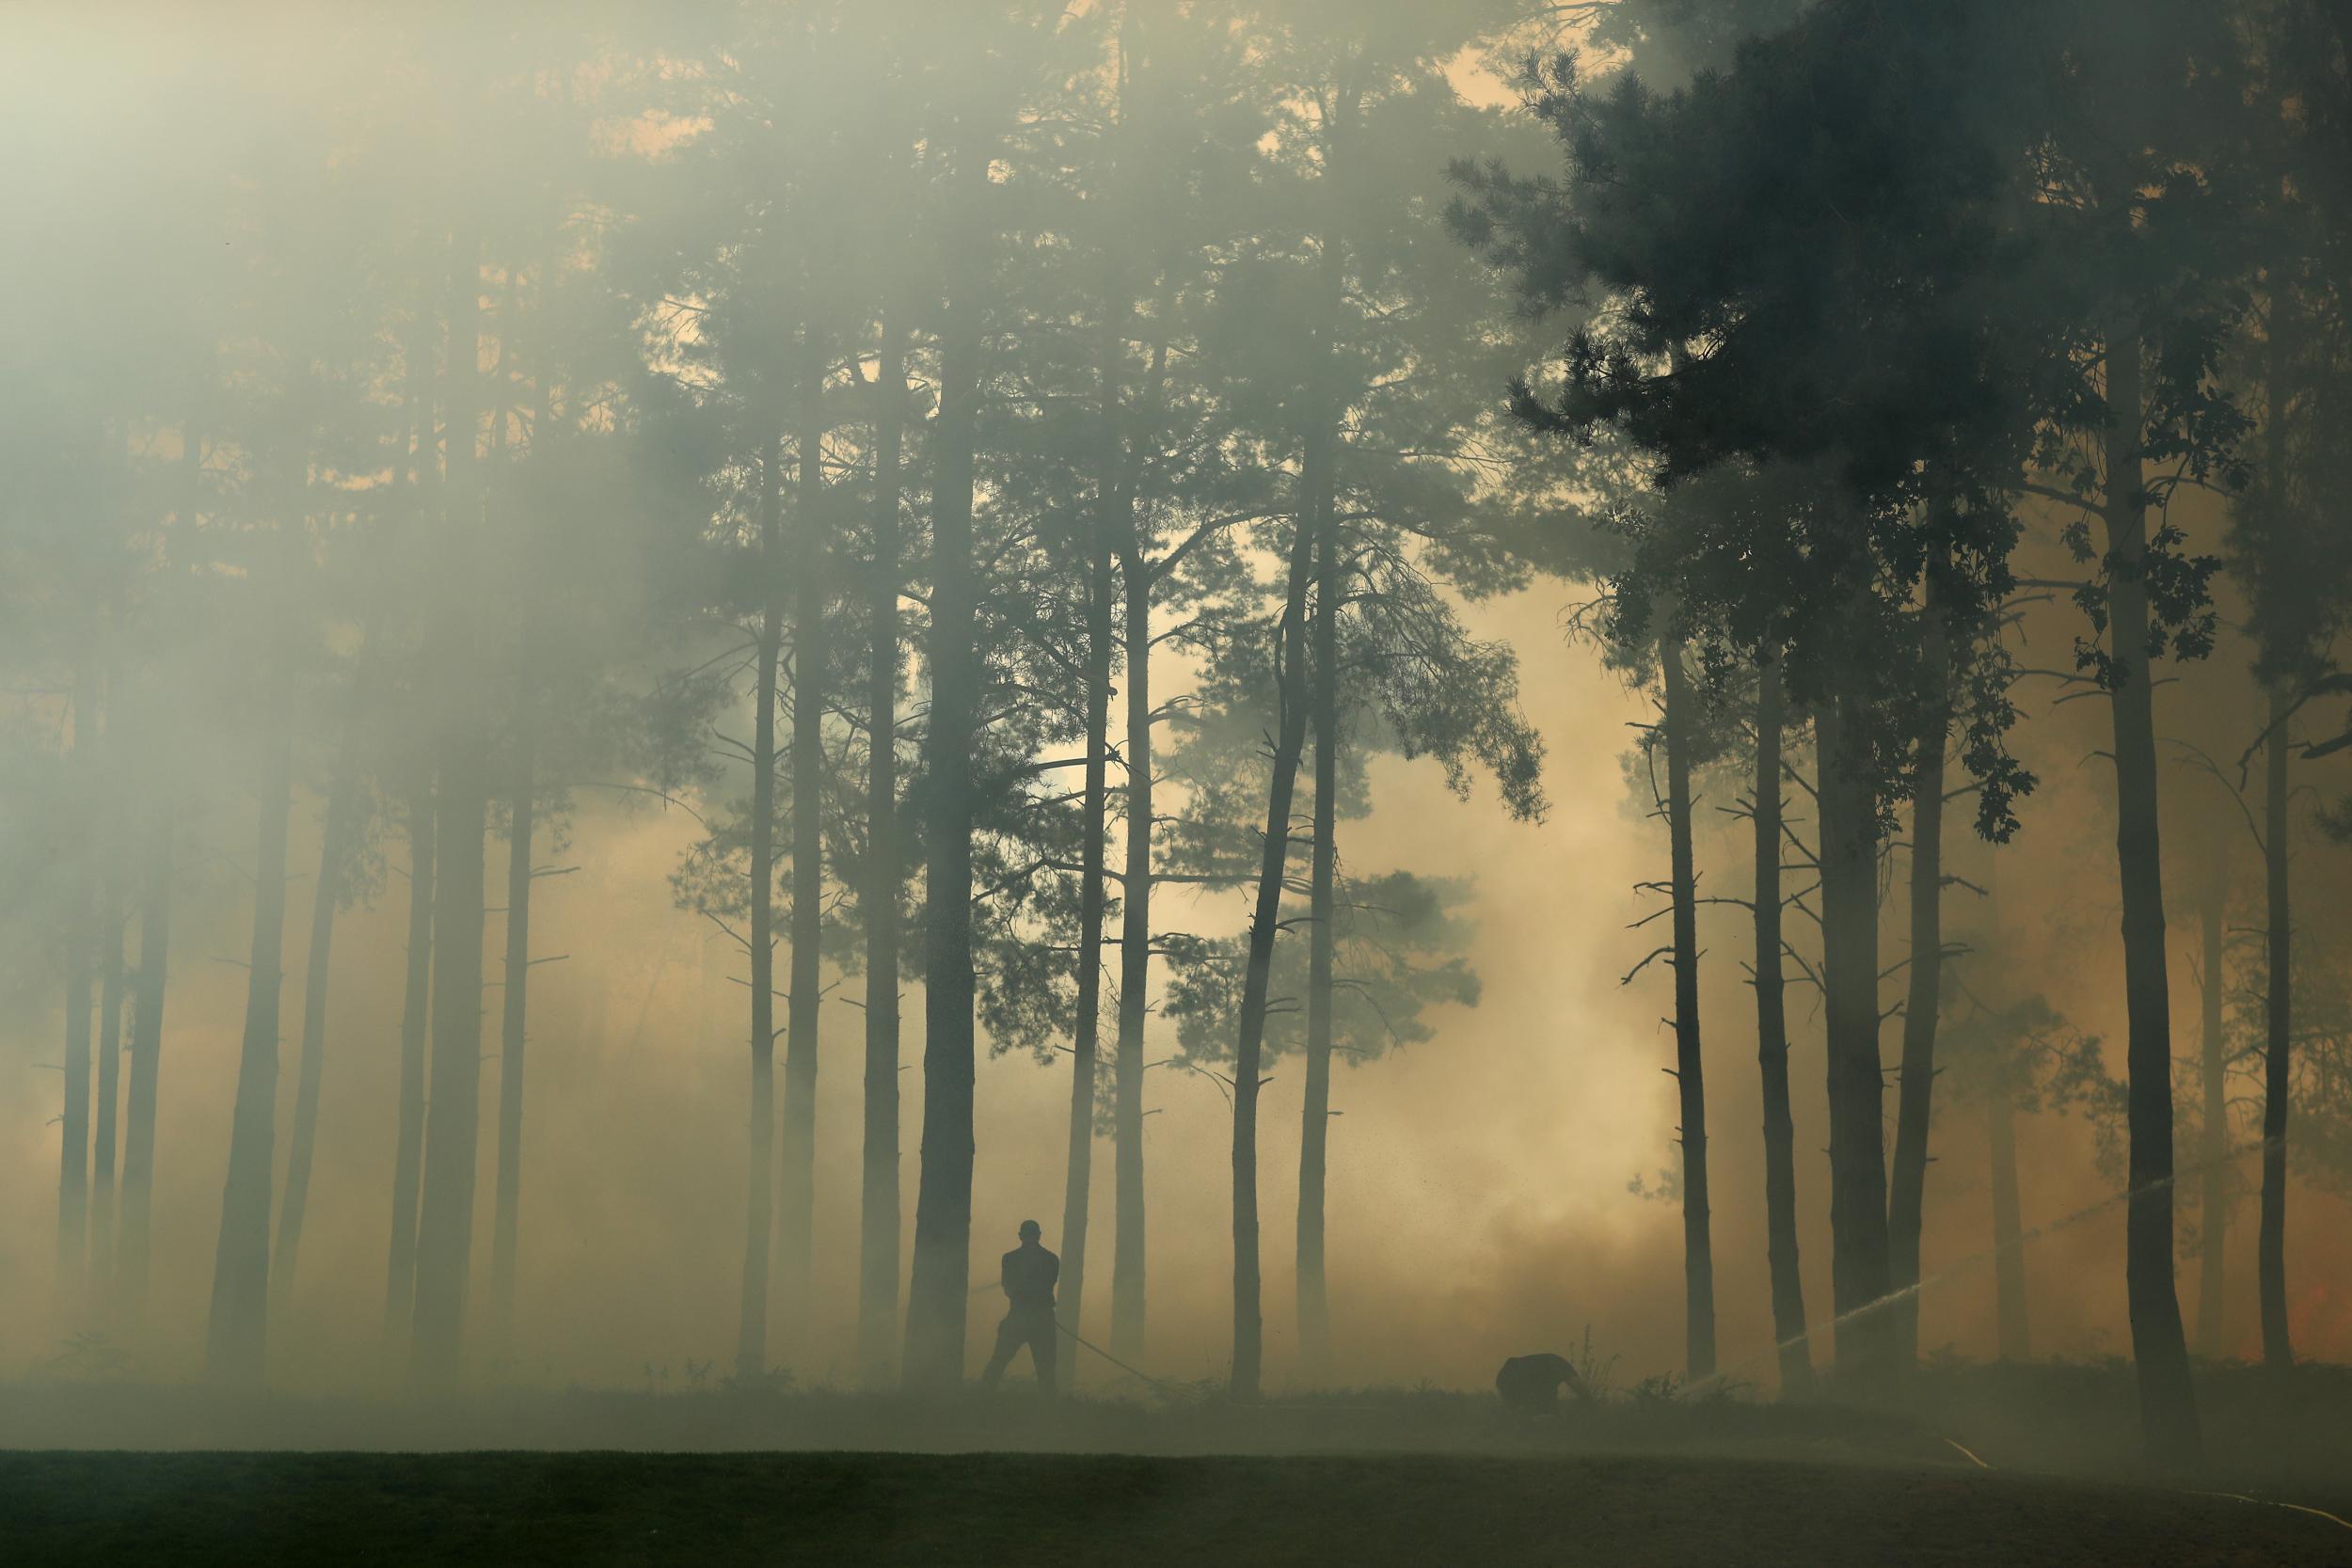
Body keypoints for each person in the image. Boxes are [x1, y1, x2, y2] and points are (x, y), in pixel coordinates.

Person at [977, 1219, 1059, 1395]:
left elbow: (1008, 1288)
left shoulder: (1010, 1259)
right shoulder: (1051, 1259)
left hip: (1020, 1316)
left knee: (999, 1360)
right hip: (1041, 1317)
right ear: (1039, 1236)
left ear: (1020, 1236)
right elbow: (1047, 1285)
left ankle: (981, 1397)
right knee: (1045, 1367)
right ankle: (1050, 1407)